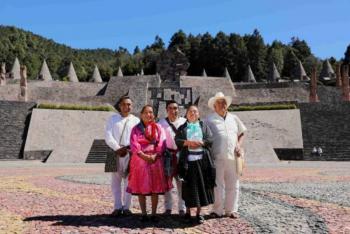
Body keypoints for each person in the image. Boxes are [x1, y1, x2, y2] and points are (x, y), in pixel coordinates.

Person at [127, 105, 172, 222]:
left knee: (155, 189)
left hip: (155, 160)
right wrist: (143, 155)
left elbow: (162, 142)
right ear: (141, 115)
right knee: (140, 188)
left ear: (154, 115)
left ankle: (153, 214)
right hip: (140, 161)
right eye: (146, 112)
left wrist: (156, 155)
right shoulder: (135, 129)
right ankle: (143, 213)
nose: (148, 115)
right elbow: (134, 144)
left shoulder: (158, 127)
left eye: (151, 112)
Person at [206, 92, 247, 219]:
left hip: (233, 156)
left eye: (224, 102)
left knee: (233, 184)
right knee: (217, 185)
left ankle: (232, 210)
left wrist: (239, 145)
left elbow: (242, 132)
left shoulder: (234, 118)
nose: (222, 104)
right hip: (216, 156)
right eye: (219, 102)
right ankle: (217, 210)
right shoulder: (209, 120)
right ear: (214, 106)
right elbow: (204, 136)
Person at [175, 105, 215, 224]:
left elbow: (210, 139)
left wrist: (201, 142)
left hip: (202, 161)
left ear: (198, 114)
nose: (193, 113)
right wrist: (187, 143)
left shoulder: (204, 126)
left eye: (195, 111)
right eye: (190, 111)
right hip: (187, 162)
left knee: (201, 187)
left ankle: (198, 213)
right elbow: (177, 140)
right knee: (188, 188)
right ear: (186, 114)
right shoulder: (182, 127)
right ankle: (187, 212)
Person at [105, 94, 139, 217]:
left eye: (129, 104)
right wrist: (118, 148)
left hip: (130, 152)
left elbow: (138, 137)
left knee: (129, 181)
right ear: (120, 106)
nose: (127, 107)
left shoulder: (136, 120)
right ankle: (117, 207)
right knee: (115, 182)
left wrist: (128, 148)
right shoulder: (112, 119)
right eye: (124, 104)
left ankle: (127, 207)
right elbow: (108, 136)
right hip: (113, 152)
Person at [158, 100, 187, 216]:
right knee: (167, 183)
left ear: (178, 110)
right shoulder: (161, 123)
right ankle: (168, 207)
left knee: (181, 183)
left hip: (181, 155)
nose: (173, 111)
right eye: (170, 108)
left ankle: (182, 208)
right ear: (166, 110)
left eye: (175, 108)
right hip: (167, 156)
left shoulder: (184, 122)